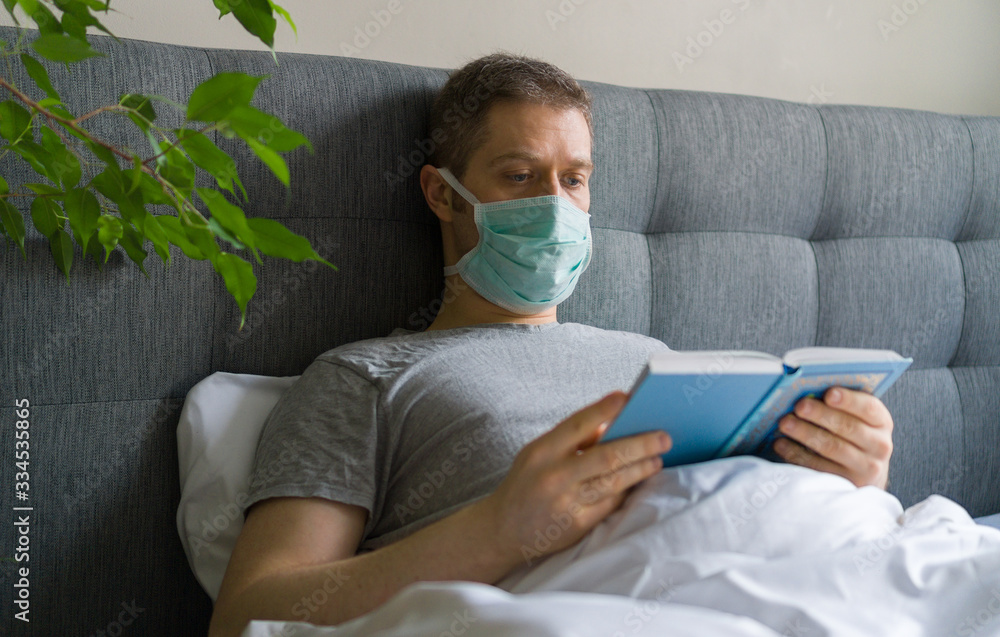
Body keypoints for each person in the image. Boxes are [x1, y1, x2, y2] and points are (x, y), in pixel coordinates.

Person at [207, 53, 894, 637]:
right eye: (519, 176)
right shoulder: (367, 376)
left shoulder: (655, 358)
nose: (556, 205)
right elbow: (247, 615)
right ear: (441, 196)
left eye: (574, 178)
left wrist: (846, 473)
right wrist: (499, 529)